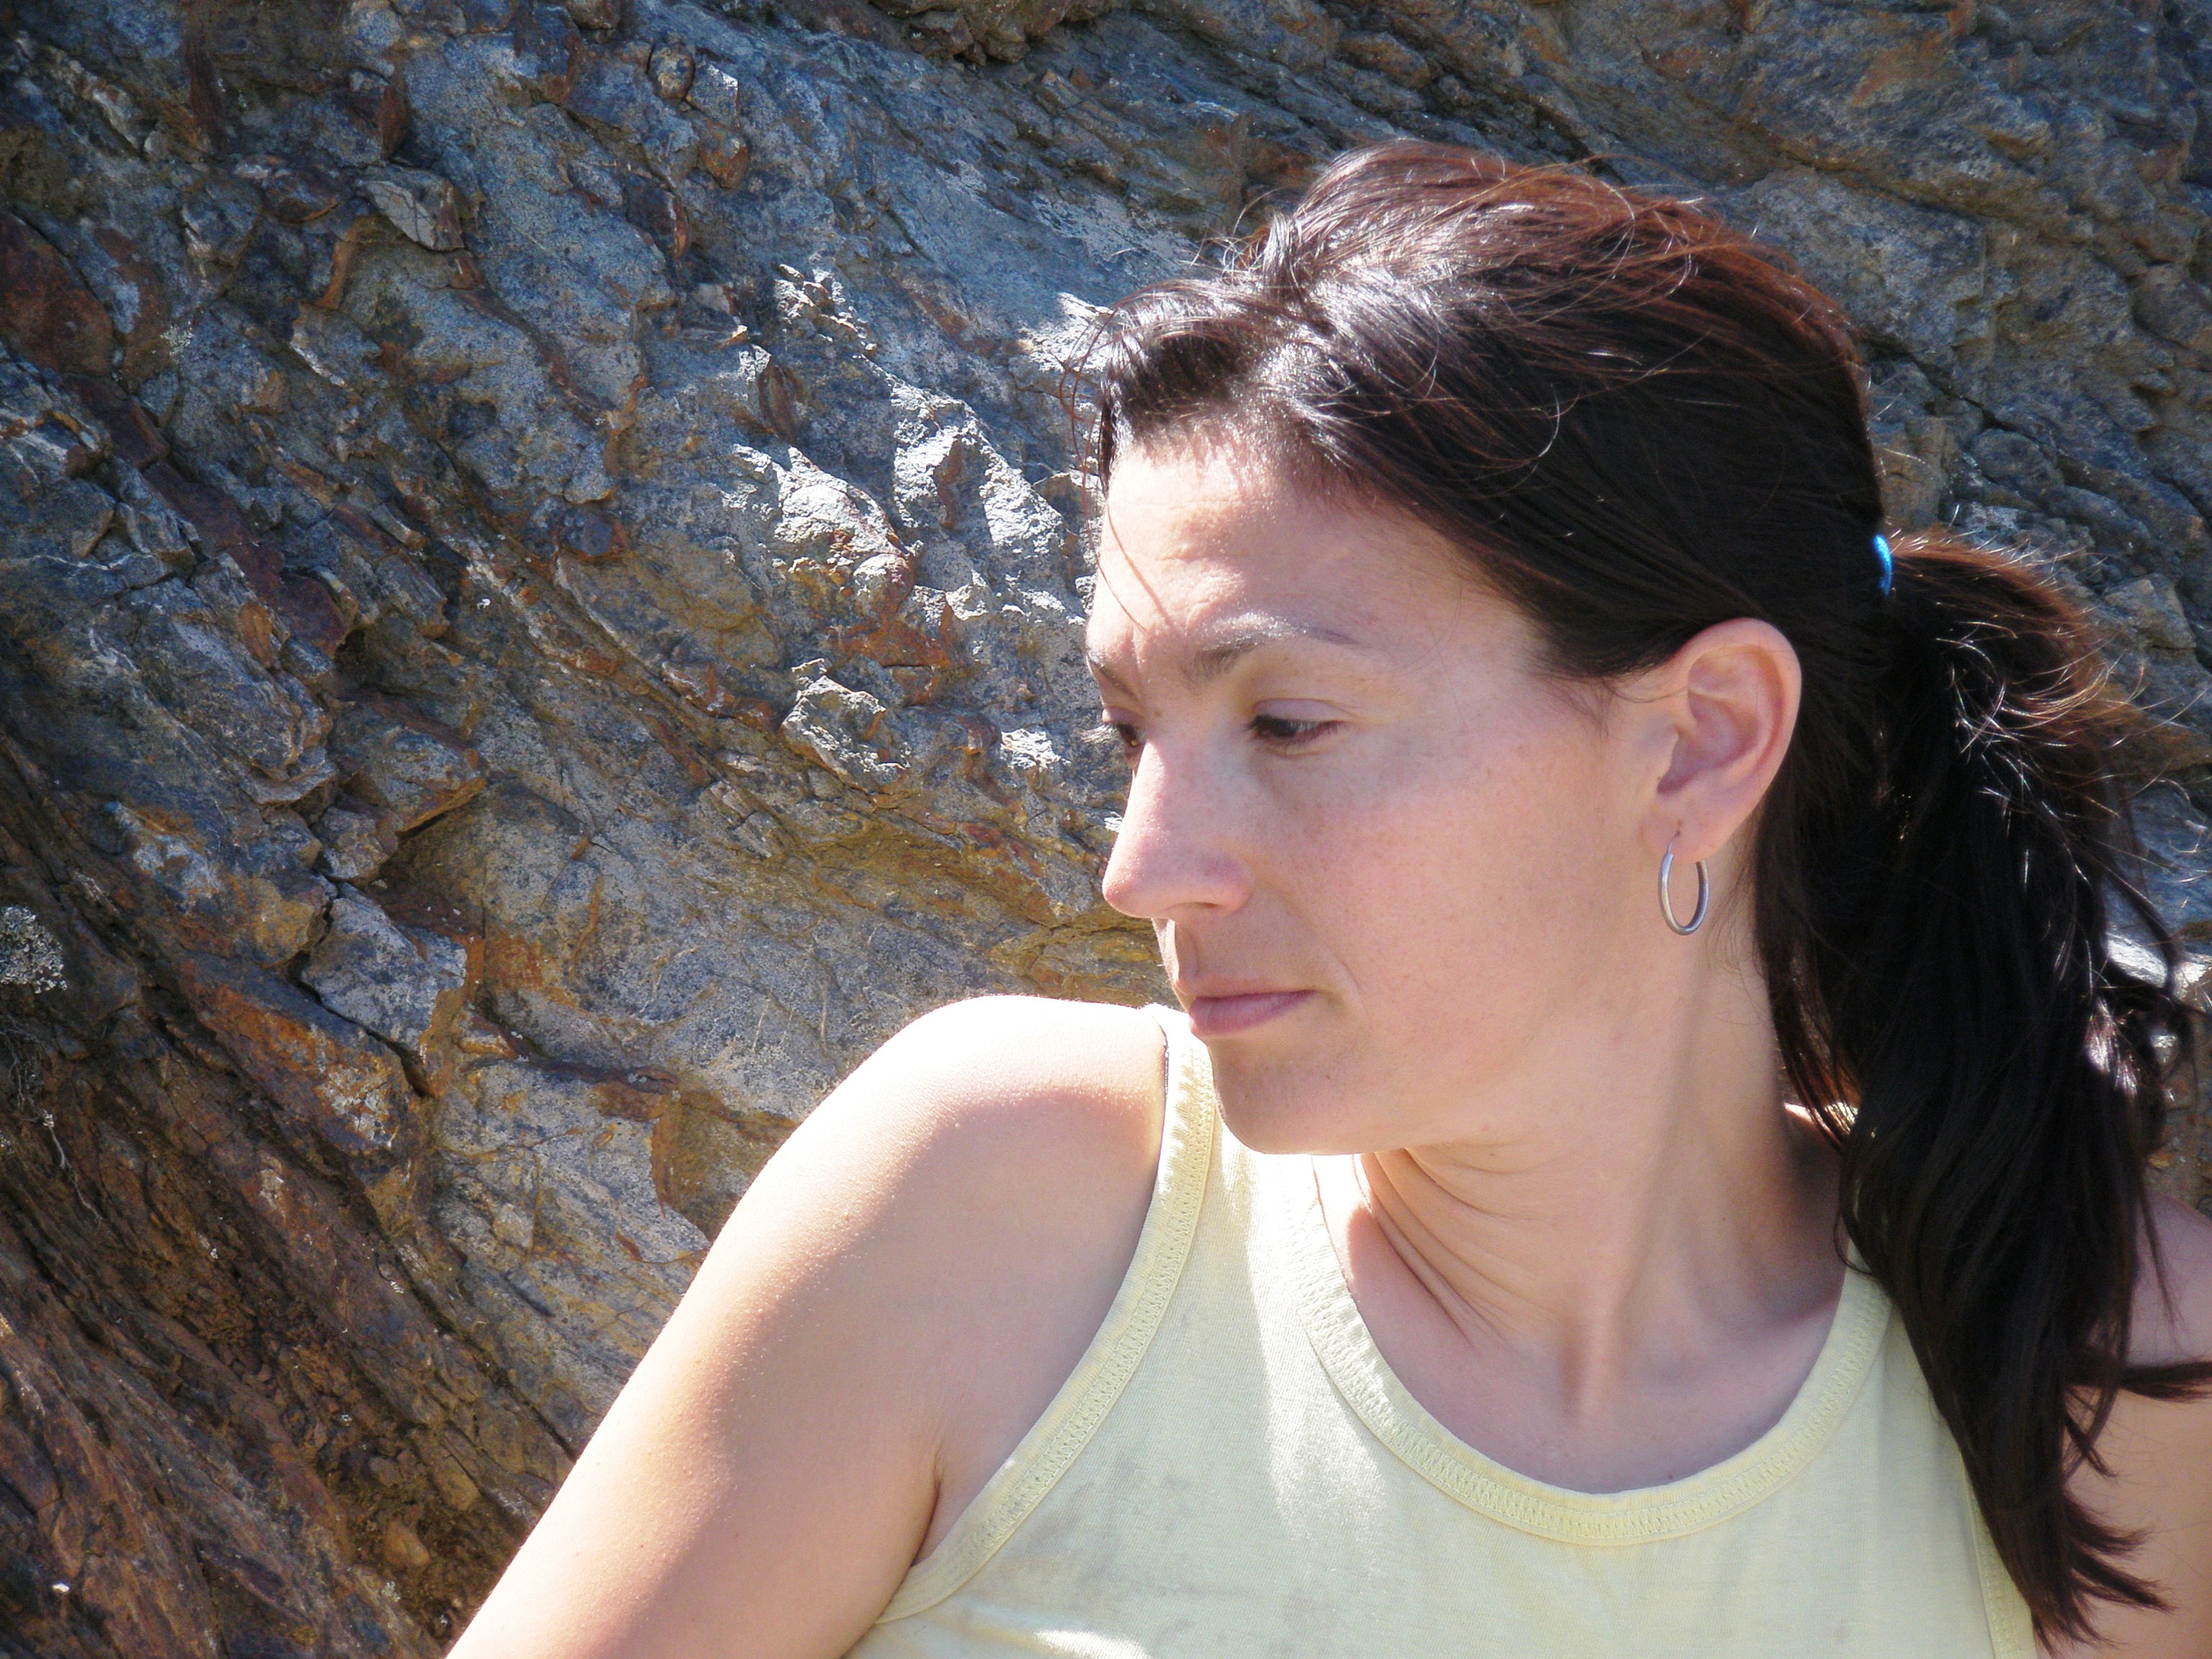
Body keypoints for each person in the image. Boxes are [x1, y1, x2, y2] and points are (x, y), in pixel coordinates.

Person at [449, 143, 2212, 1658]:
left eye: (1288, 723)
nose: (1141, 866)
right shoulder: (1004, 1217)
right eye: (1131, 729)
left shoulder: (2121, 1389)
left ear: (1705, 739)